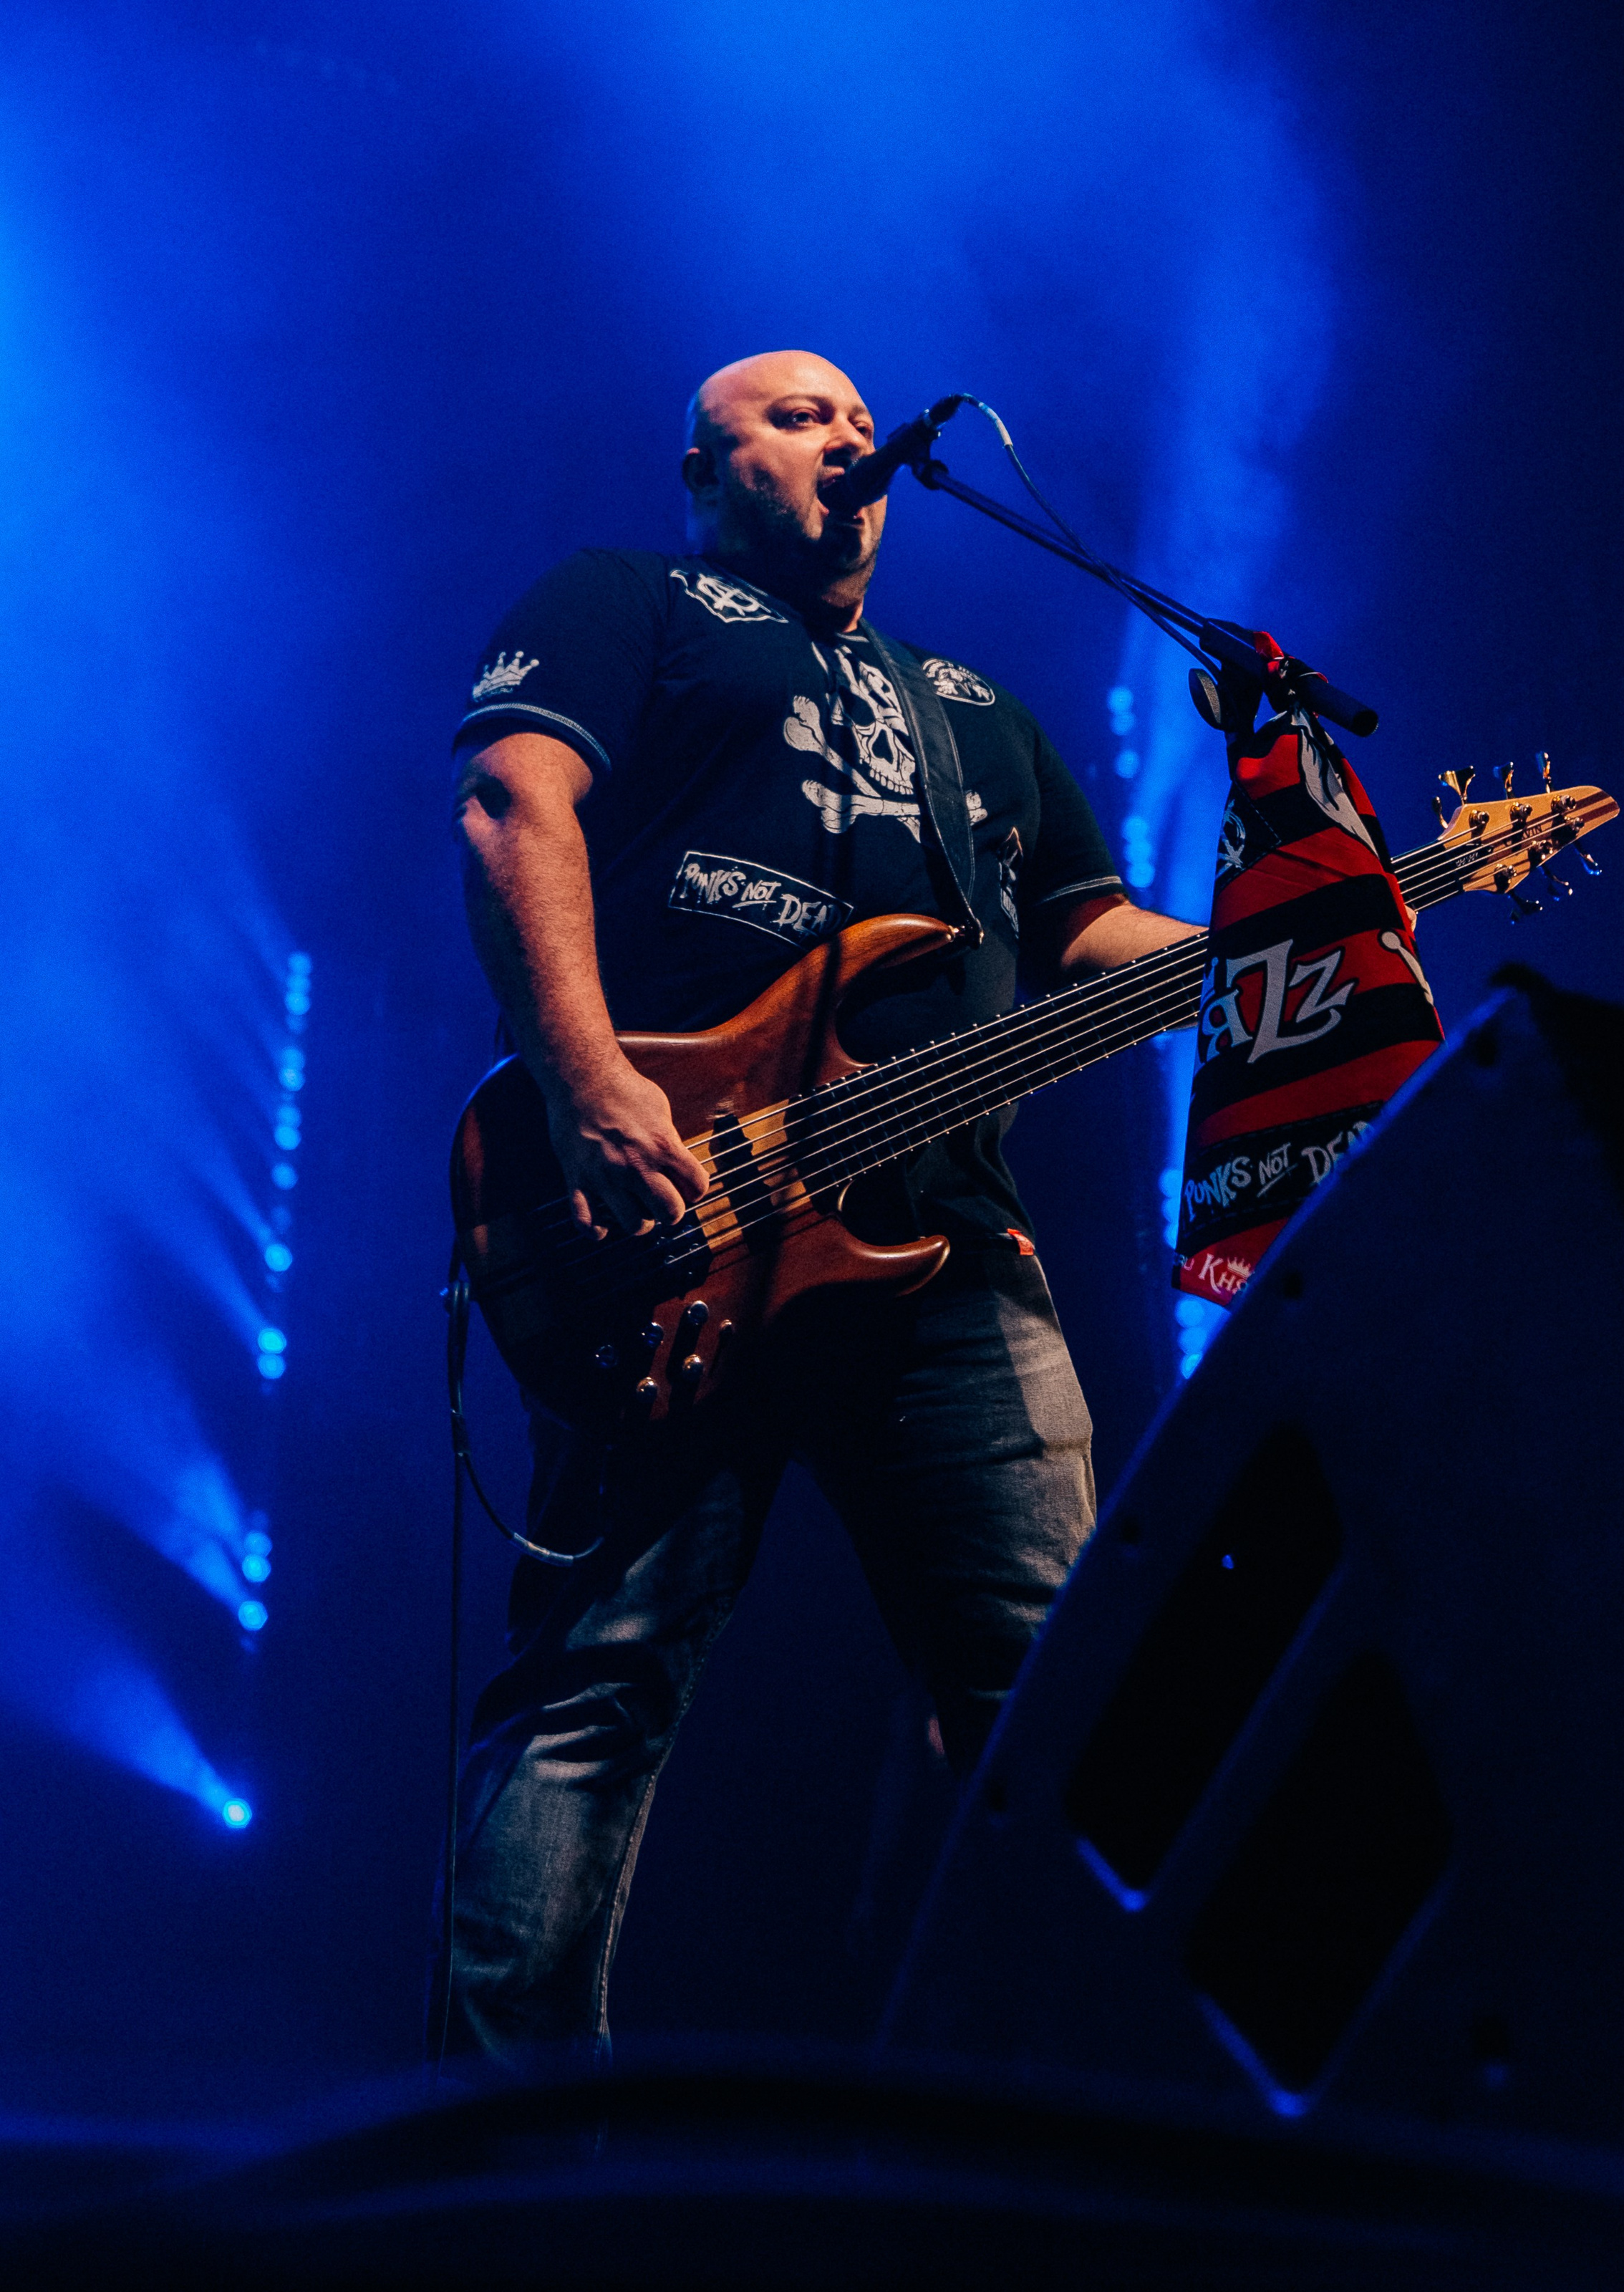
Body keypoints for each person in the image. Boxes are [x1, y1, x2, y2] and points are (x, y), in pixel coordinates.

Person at [441, 350, 1201, 2066]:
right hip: (667, 1220)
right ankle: (506, 2179)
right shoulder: (629, 600)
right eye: (795, 417)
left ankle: (1081, 2147)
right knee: (588, 1703)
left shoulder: (977, 712)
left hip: (947, 1247)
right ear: (704, 470)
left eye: (857, 419)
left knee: (1050, 1702)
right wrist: (583, 1080)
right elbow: (510, 798)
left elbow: (1092, 936)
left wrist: (1318, 940)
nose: (847, 436)